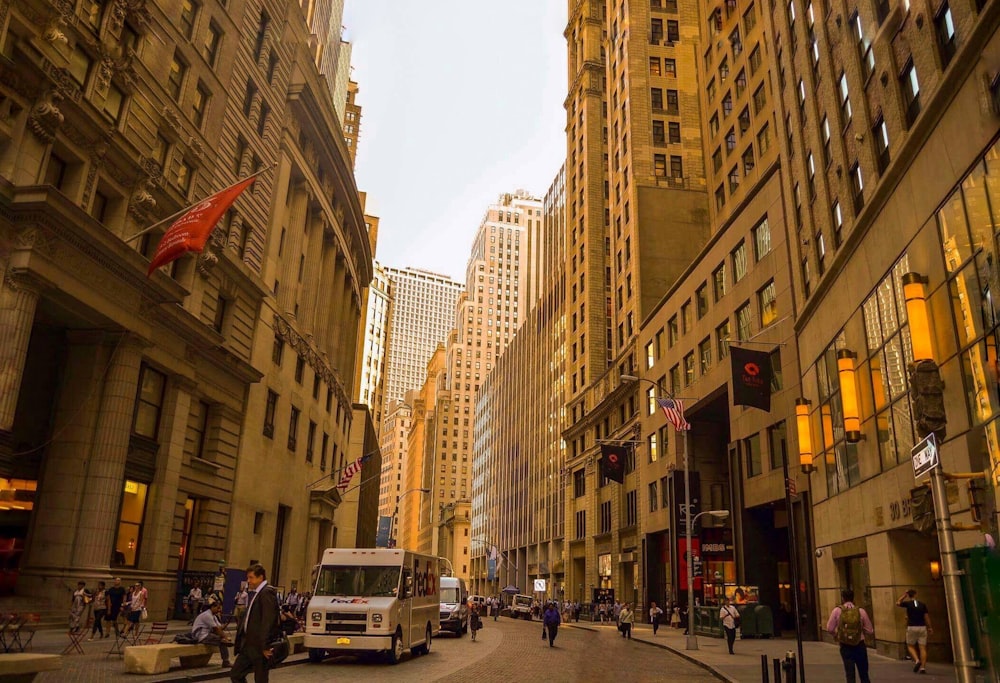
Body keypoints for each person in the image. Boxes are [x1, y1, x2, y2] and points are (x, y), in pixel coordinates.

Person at [231, 564, 280, 683]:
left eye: (251, 578)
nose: (249, 581)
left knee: (260, 679)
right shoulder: (258, 593)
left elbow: (268, 620)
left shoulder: (266, 593)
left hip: (259, 647)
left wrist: (265, 646)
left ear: (260, 577)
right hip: (249, 645)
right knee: (236, 674)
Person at [827, 589, 875, 683]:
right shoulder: (861, 611)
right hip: (859, 644)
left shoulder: (837, 611)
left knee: (850, 674)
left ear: (843, 598)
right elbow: (870, 630)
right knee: (864, 674)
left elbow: (829, 628)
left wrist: (837, 635)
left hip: (845, 645)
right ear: (853, 598)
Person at [897, 589, 932, 674]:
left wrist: (904, 596)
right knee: (922, 648)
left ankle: (917, 660)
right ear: (916, 594)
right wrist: (930, 627)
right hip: (922, 627)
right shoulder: (922, 605)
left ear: (909, 595)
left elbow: (898, 602)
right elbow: (926, 617)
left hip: (912, 627)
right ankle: (923, 667)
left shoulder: (908, 604)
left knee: (910, 646)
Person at [193, 598, 233, 668]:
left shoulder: (213, 616)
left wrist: (225, 625)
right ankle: (226, 662)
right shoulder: (207, 615)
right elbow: (216, 629)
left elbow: (219, 627)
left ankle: (226, 661)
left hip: (207, 635)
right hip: (201, 636)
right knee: (223, 641)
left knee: (222, 639)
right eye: (217, 608)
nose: (219, 610)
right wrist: (225, 637)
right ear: (212, 607)